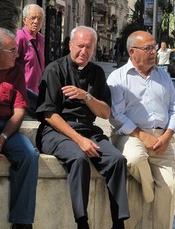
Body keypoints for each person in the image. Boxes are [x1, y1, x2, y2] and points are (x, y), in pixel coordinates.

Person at [35, 26, 130, 229]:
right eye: (79, 46)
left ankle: (119, 222)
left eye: (88, 47)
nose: (83, 51)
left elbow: (104, 113)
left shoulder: (96, 73)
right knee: (78, 159)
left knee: (117, 160)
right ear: (70, 44)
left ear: (94, 48)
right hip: (56, 131)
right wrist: (79, 140)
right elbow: (49, 115)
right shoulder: (54, 70)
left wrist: (85, 96)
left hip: (88, 129)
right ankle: (82, 221)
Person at [107, 30, 175, 229]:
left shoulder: (163, 76)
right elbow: (116, 116)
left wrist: (167, 135)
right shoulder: (118, 78)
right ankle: (150, 193)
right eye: (148, 48)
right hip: (130, 135)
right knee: (135, 158)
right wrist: (142, 136)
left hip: (161, 139)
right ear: (133, 52)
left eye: (154, 47)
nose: (153, 52)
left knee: (171, 187)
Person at [0, 28, 39, 229]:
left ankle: (22, 223)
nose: (18, 54)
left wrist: (3, 137)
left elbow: (19, 111)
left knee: (29, 155)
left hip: (7, 125)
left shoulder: (16, 70)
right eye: (12, 50)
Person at [16, 4, 45, 94]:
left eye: (39, 18)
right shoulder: (20, 36)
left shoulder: (40, 38)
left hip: (37, 91)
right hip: (23, 92)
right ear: (25, 20)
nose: (36, 21)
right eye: (33, 18)